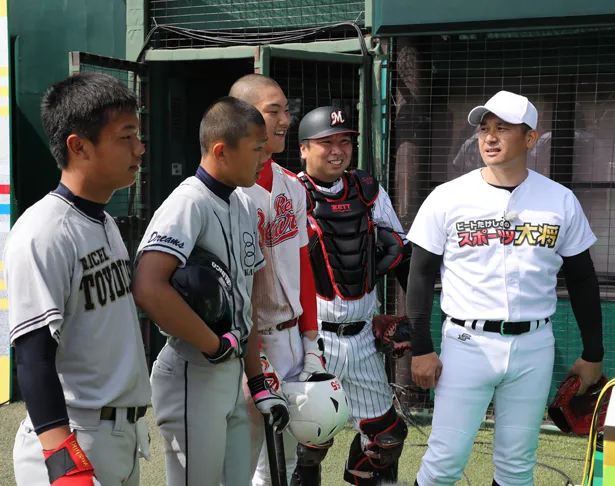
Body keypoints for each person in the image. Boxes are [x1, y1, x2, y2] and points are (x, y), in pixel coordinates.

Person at [406, 90, 604, 486]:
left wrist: (593, 352)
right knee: (445, 461)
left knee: (517, 466)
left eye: (503, 129)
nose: (489, 138)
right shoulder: (448, 197)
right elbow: (421, 275)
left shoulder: (559, 199)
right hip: (466, 343)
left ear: (530, 138)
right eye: (484, 129)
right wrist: (422, 348)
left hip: (534, 345)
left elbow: (583, 279)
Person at [132, 96, 290, 486]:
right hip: (192, 370)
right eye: (256, 149)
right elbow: (148, 287)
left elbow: (245, 305)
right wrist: (211, 344)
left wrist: (257, 383)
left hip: (230, 373)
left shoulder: (239, 202)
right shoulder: (188, 203)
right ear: (221, 150)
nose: (263, 157)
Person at [5, 72, 151, 485]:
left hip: (120, 434)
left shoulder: (102, 221)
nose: (139, 149)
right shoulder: (43, 231)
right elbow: (32, 353)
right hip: (74, 435)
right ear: (78, 145)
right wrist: (60, 456)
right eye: (126, 137)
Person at [293, 106, 412, 485]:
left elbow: (399, 252)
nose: (337, 150)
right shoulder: (289, 193)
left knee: (387, 436)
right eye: (325, 142)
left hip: (361, 335)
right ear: (303, 149)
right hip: (311, 337)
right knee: (310, 441)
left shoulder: (367, 190)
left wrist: (413, 321)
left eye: (344, 141)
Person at [228, 74, 328, 486]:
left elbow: (303, 265)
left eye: (287, 109)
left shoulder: (293, 186)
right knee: (240, 458)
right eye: (275, 110)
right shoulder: (226, 193)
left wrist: (312, 343)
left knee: (283, 461)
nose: (287, 119)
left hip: (289, 338)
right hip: (241, 344)